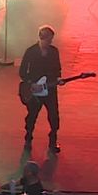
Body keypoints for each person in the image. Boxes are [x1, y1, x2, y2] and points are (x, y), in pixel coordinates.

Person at [19, 24, 62, 154]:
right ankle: (28, 139)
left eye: (51, 40)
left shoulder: (54, 51)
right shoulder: (30, 52)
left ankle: (53, 140)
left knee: (54, 116)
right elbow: (22, 71)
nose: (50, 42)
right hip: (35, 91)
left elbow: (57, 69)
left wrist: (58, 78)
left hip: (50, 88)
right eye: (48, 40)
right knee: (32, 116)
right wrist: (31, 83)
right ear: (42, 38)